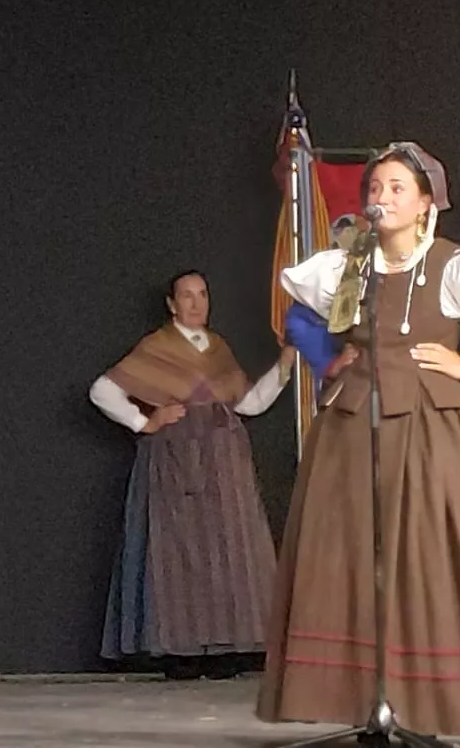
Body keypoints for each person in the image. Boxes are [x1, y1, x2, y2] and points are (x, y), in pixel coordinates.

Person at [260, 143, 460, 737]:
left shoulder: (452, 265)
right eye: (375, 189)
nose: (381, 199)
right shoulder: (349, 264)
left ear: (425, 203)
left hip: (437, 429)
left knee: (432, 555)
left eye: (396, 189)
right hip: (356, 425)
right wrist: (329, 361)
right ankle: (365, 699)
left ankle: (436, 700)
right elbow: (299, 317)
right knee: (353, 554)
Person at [88, 271, 291, 679]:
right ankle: (181, 651)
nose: (196, 304)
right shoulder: (158, 348)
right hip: (176, 460)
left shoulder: (218, 350)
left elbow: (249, 405)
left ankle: (224, 648)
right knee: (178, 553)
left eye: (202, 295)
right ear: (171, 304)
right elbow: (102, 390)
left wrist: (285, 364)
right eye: (187, 296)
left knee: (226, 551)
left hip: (224, 463)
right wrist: (143, 421)